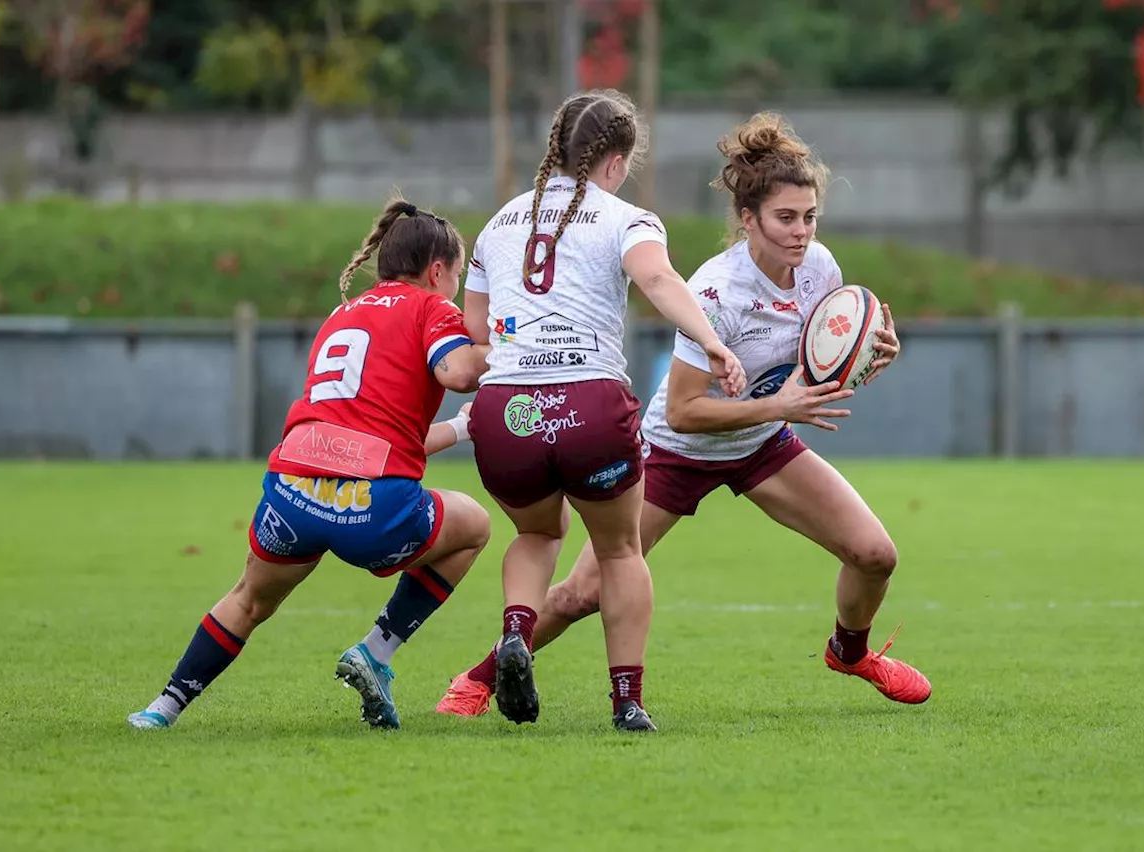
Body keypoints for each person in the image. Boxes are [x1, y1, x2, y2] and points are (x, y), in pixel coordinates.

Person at [437, 112, 930, 719]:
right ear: (748, 220)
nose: (801, 233)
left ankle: (848, 653)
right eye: (785, 219)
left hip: (761, 444)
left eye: (809, 218)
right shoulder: (716, 294)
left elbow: (827, 352)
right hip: (675, 453)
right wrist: (780, 406)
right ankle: (480, 677)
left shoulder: (820, 269)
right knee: (582, 592)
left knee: (875, 554)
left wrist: (872, 349)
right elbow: (685, 411)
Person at [128, 198, 493, 731]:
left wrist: (460, 430)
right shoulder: (430, 308)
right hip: (371, 508)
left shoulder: (343, 314)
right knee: (475, 525)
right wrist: (519, 347)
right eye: (458, 275)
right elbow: (460, 371)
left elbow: (372, 438)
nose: (456, 288)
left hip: (294, 490)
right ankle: (377, 651)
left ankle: (161, 709)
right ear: (437, 271)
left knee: (248, 599)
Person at [456, 88, 746, 733]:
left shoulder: (499, 224)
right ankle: (627, 702)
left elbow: (476, 330)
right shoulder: (627, 218)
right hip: (591, 405)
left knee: (537, 534)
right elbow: (660, 281)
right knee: (618, 552)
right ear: (616, 160)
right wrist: (713, 342)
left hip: (507, 413)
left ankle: (515, 630)